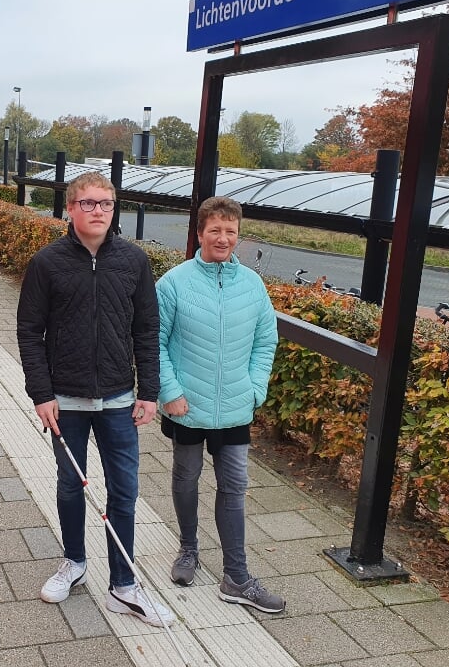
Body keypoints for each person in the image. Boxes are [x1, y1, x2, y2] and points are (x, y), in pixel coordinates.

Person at [16, 171, 174, 627]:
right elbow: (30, 332)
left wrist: (149, 391)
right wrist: (41, 394)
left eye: (105, 203)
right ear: (70, 209)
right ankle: (74, 562)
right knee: (70, 485)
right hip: (65, 402)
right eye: (88, 203)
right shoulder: (47, 263)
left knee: (124, 490)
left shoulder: (134, 262)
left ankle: (124, 585)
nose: (98, 211)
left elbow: (147, 329)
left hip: (120, 401)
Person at [156, 196, 285, 614]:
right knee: (186, 477)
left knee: (235, 486)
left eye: (231, 231)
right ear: (199, 234)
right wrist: (169, 392)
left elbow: (266, 339)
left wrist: (255, 389)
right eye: (215, 230)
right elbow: (153, 343)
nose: (223, 238)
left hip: (234, 404)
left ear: (238, 236)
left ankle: (237, 575)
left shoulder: (252, 284)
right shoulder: (173, 283)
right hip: (185, 404)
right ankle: (188, 549)